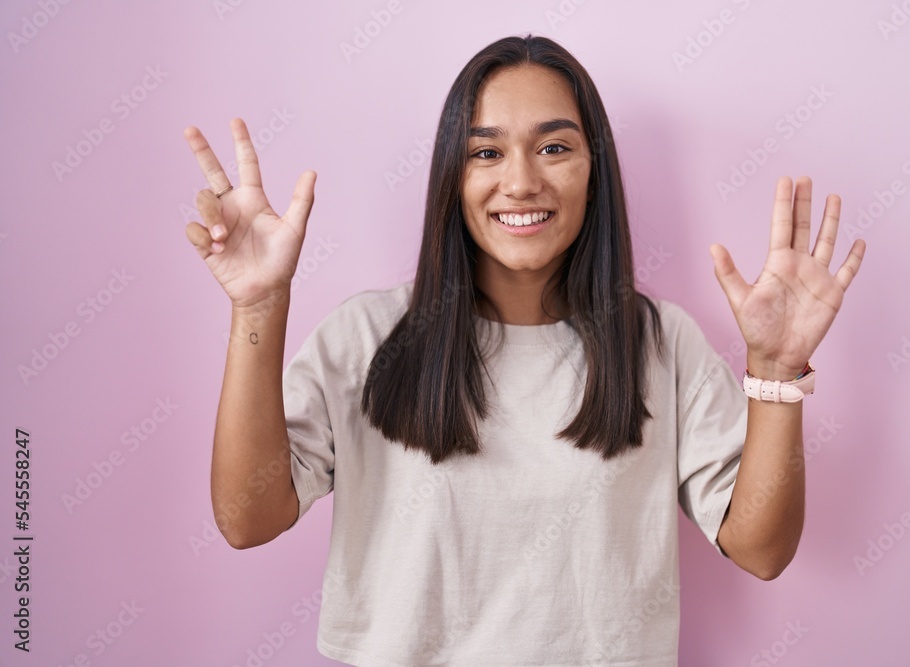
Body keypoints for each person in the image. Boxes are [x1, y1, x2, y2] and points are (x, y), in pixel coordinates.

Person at [183, 34, 865, 667]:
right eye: (486, 152)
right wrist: (258, 305)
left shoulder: (662, 342)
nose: (520, 182)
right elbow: (247, 518)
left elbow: (761, 546)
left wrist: (775, 372)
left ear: (594, 168)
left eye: (554, 147)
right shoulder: (365, 338)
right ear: (453, 177)